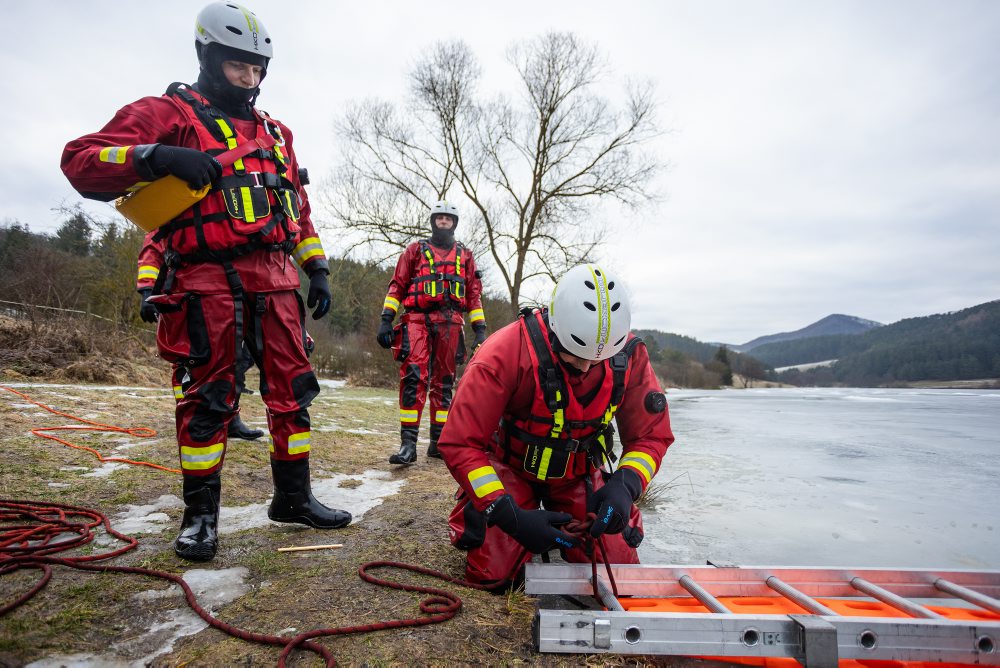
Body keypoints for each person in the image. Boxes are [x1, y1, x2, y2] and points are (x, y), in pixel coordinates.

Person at [61, 1, 351, 562]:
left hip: (277, 281)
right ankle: (200, 517)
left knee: (294, 394)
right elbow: (80, 160)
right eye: (238, 65)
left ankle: (293, 498)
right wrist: (157, 156)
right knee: (209, 398)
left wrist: (316, 268)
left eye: (258, 68)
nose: (250, 78)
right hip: (206, 279)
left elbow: (297, 207)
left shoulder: (277, 133)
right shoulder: (166, 113)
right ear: (208, 56)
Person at [438, 264, 674, 589]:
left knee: (617, 574)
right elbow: (460, 443)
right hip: (510, 469)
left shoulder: (629, 356)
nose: (587, 367)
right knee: (494, 577)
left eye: (597, 360)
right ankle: (493, 522)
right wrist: (509, 516)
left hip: (575, 476)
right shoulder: (503, 353)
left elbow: (650, 436)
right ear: (555, 328)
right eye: (576, 357)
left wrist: (625, 485)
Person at [376, 200, 487, 465]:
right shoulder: (415, 250)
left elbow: (473, 295)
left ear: (454, 223)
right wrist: (386, 319)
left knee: (444, 383)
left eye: (448, 219)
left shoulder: (466, 256)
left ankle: (438, 443)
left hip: (451, 323)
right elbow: (397, 285)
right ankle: (408, 445)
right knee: (413, 378)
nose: (443, 222)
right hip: (417, 320)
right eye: (439, 218)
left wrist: (480, 331)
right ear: (433, 221)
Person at [137, 231, 264, 441]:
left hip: (228, 291)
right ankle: (189, 415)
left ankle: (231, 417)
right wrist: (147, 290)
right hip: (185, 293)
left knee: (234, 361)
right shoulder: (170, 213)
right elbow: (153, 248)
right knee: (188, 361)